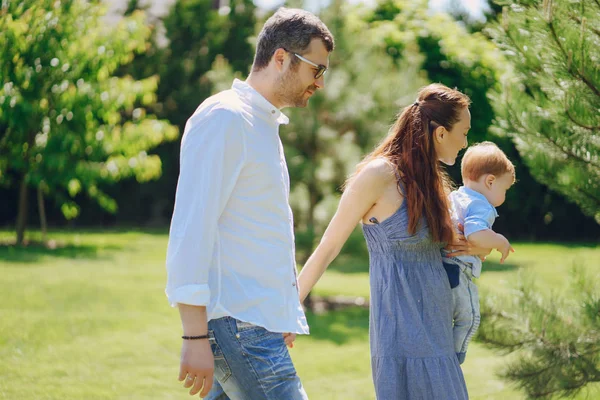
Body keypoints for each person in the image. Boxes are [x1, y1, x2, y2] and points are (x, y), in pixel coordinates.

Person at [165, 8, 334, 399]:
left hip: (255, 320)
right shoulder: (225, 117)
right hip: (237, 325)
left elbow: (258, 228)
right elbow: (193, 227)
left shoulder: (262, 124)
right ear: (280, 58)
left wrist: (282, 308)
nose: (320, 83)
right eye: (316, 69)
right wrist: (193, 334)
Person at [297, 83, 490, 399]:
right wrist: (289, 310)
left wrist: (482, 241)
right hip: (400, 336)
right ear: (440, 133)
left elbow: (460, 247)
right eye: (464, 132)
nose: (466, 143)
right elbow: (328, 246)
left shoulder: (433, 183)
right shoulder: (379, 175)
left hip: (439, 333)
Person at [441, 141, 515, 364]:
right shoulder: (481, 205)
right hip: (459, 271)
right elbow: (475, 233)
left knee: (445, 318)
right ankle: (454, 359)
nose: (504, 196)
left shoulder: (456, 197)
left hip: (443, 265)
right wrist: (500, 241)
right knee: (469, 319)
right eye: (505, 189)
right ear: (490, 181)